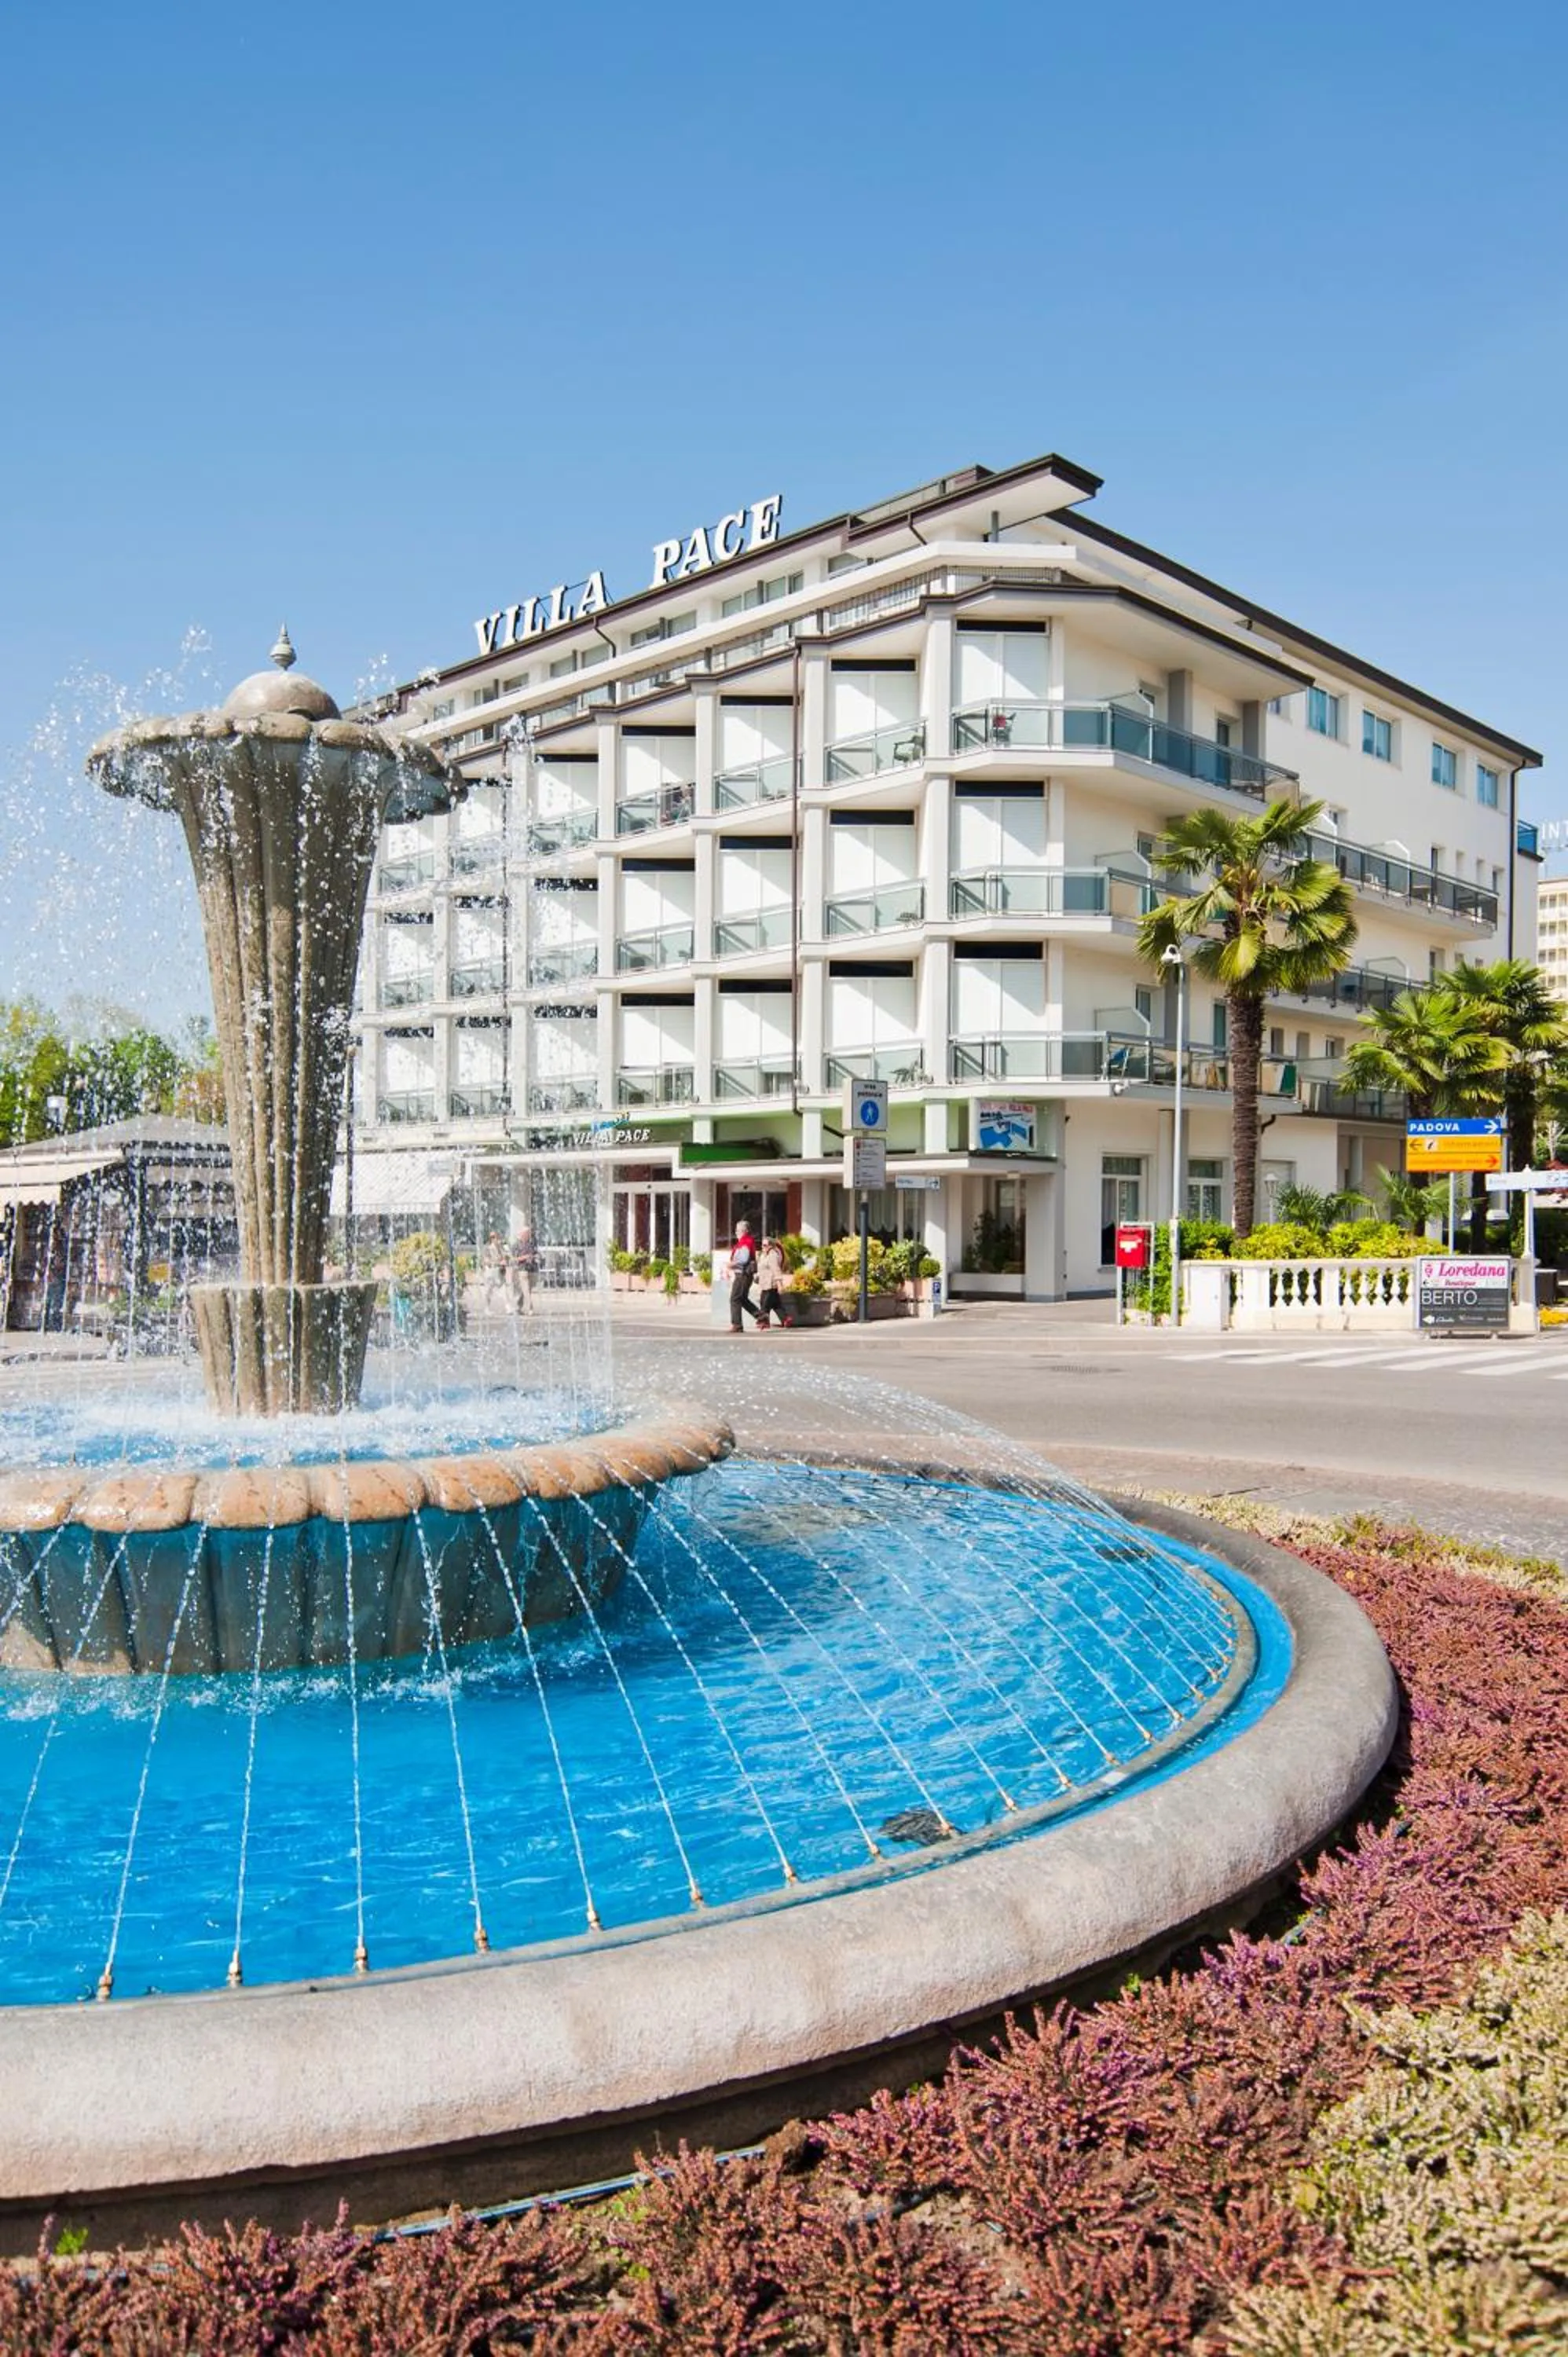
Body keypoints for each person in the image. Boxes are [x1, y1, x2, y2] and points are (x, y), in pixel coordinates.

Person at [727, 1219, 761, 1332]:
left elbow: (744, 1258)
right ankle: (760, 1316)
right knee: (742, 1298)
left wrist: (732, 1264)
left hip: (743, 1275)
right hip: (745, 1275)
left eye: (738, 1231)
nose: (736, 1233)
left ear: (745, 1231)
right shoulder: (746, 1241)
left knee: (735, 1299)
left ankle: (737, 1325)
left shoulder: (745, 1242)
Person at [756, 1234, 789, 1329]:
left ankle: (764, 1322)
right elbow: (761, 1268)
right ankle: (786, 1319)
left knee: (764, 1304)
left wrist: (780, 1284)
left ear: (771, 1246)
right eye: (762, 1245)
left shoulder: (772, 1255)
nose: (763, 1247)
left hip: (770, 1284)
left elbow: (776, 1269)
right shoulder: (763, 1255)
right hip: (764, 1283)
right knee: (776, 1304)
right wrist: (758, 1277)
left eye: (765, 1245)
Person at [509, 1226, 541, 1315]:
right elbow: (512, 1259)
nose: (529, 1235)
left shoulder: (532, 1244)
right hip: (522, 1269)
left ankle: (518, 1307)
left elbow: (536, 1253)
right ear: (522, 1234)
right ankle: (530, 1308)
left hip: (532, 1269)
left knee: (526, 1290)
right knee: (526, 1290)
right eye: (527, 1233)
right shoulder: (516, 1245)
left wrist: (536, 1257)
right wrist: (524, 1257)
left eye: (529, 1233)